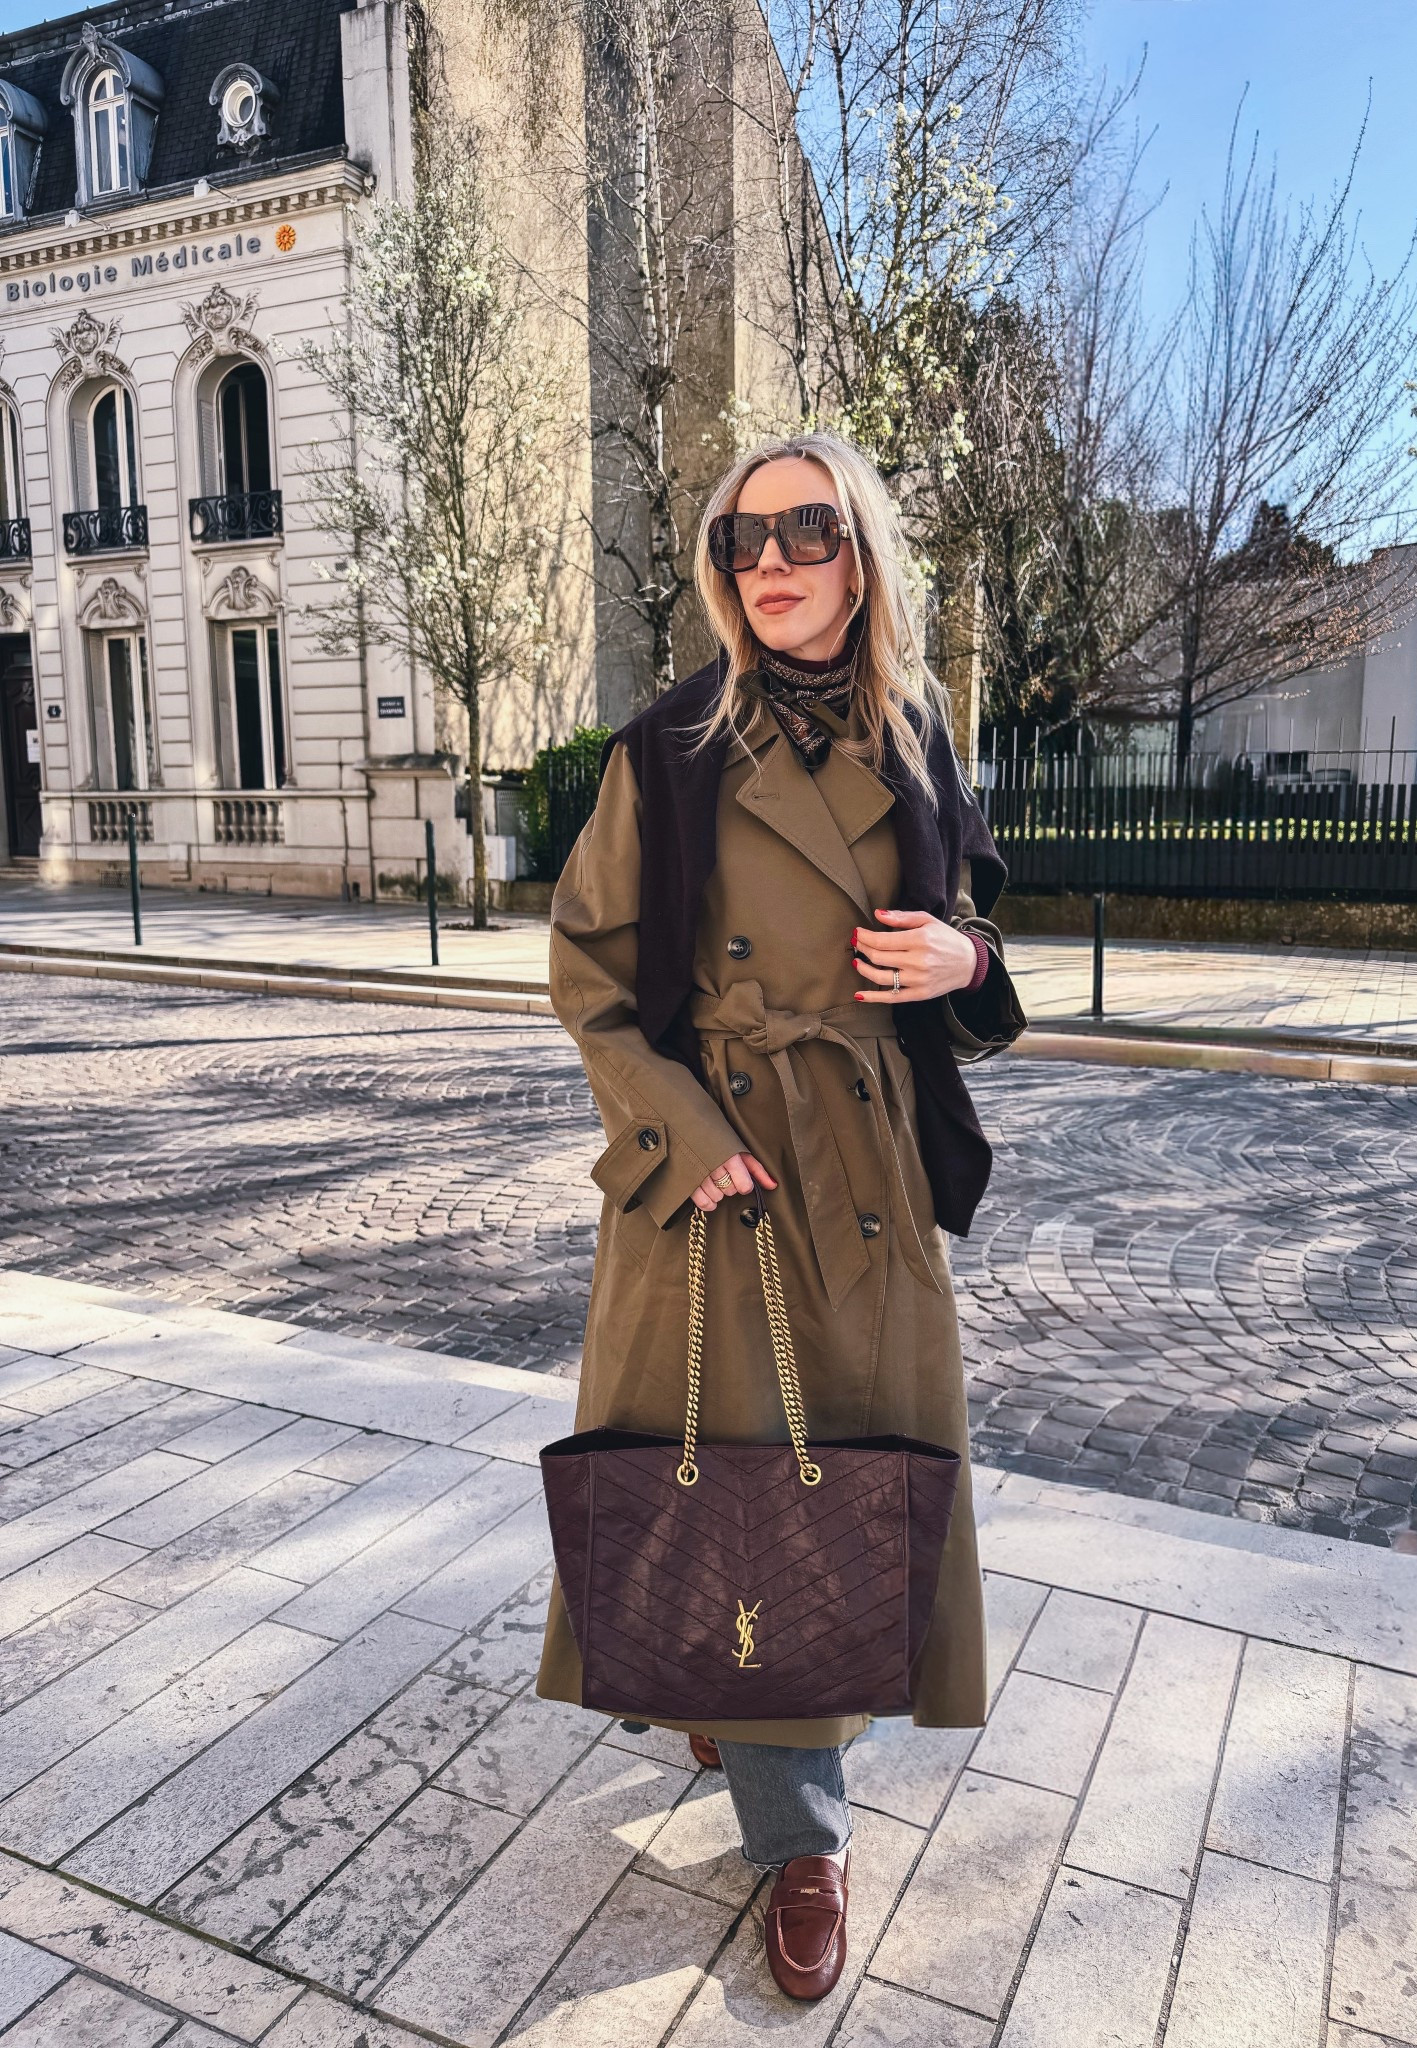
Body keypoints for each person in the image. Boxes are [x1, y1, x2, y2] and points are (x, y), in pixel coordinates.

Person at [537, 431, 1024, 2001]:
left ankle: (745, 1699)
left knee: (864, 1468)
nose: (772, 562)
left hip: (870, 1160)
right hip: (726, 1166)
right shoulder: (670, 747)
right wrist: (682, 1130)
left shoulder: (918, 723)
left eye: (806, 530)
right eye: (742, 540)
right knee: (745, 1471)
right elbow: (589, 975)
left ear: (860, 549)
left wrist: (968, 963)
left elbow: (972, 917)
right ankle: (799, 1836)